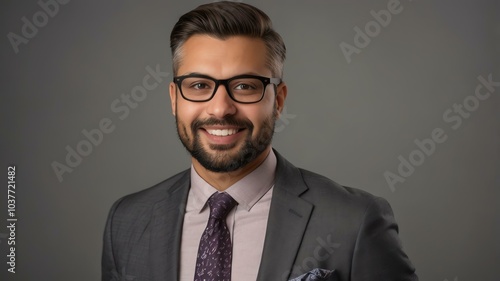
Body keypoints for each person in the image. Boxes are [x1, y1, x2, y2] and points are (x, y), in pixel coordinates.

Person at [101, 2, 418, 281]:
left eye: (244, 86)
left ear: (278, 100)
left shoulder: (355, 221)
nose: (221, 108)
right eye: (198, 85)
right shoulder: (127, 221)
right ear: (174, 99)